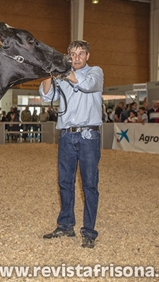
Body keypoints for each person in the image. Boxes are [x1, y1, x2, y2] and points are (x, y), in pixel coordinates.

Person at [39, 40, 103, 249]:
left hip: (88, 136)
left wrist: (63, 71)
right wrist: (49, 72)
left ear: (88, 56)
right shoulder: (63, 77)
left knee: (89, 185)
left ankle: (89, 231)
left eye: (80, 53)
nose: (76, 58)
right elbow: (46, 95)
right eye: (73, 54)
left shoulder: (95, 72)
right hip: (66, 136)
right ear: (68, 56)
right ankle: (66, 225)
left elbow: (86, 86)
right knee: (65, 183)